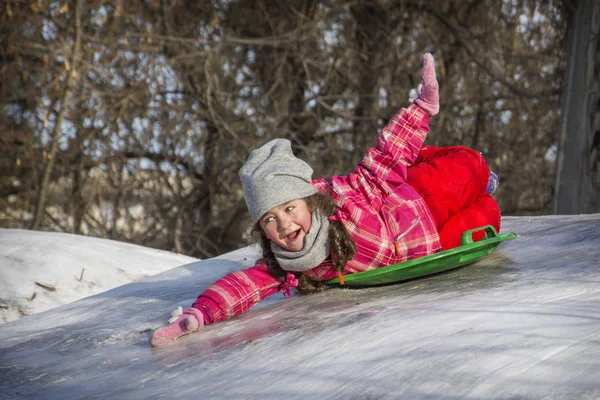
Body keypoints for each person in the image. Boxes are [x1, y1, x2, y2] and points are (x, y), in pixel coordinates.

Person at [150, 53, 501, 347]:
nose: (285, 224)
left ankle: (435, 160)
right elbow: (241, 287)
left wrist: (421, 108)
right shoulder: (286, 264)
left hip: (415, 199)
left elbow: (382, 158)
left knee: (472, 166)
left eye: (289, 209)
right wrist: (198, 316)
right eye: (270, 219)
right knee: (489, 215)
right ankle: (478, 190)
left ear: (309, 202)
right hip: (430, 243)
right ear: (261, 228)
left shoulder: (342, 198)